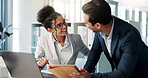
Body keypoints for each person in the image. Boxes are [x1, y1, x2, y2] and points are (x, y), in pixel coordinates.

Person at [70, 0, 148, 78]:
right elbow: (94, 55)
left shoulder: (130, 35)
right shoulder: (100, 29)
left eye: (86, 23)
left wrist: (91, 76)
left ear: (97, 25)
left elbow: (122, 73)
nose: (85, 25)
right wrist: (83, 73)